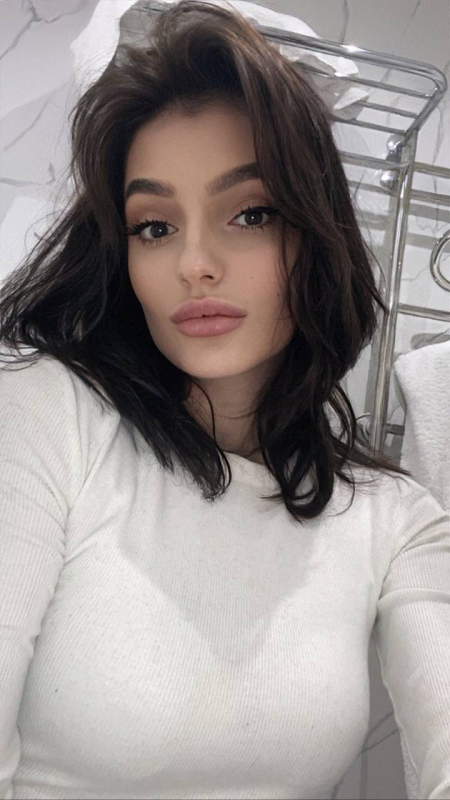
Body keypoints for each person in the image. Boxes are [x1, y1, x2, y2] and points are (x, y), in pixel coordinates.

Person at [0, 2, 449, 799]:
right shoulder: (42, 415)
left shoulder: (392, 516)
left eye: (251, 214)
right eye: (154, 226)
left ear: (316, 237)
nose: (195, 263)